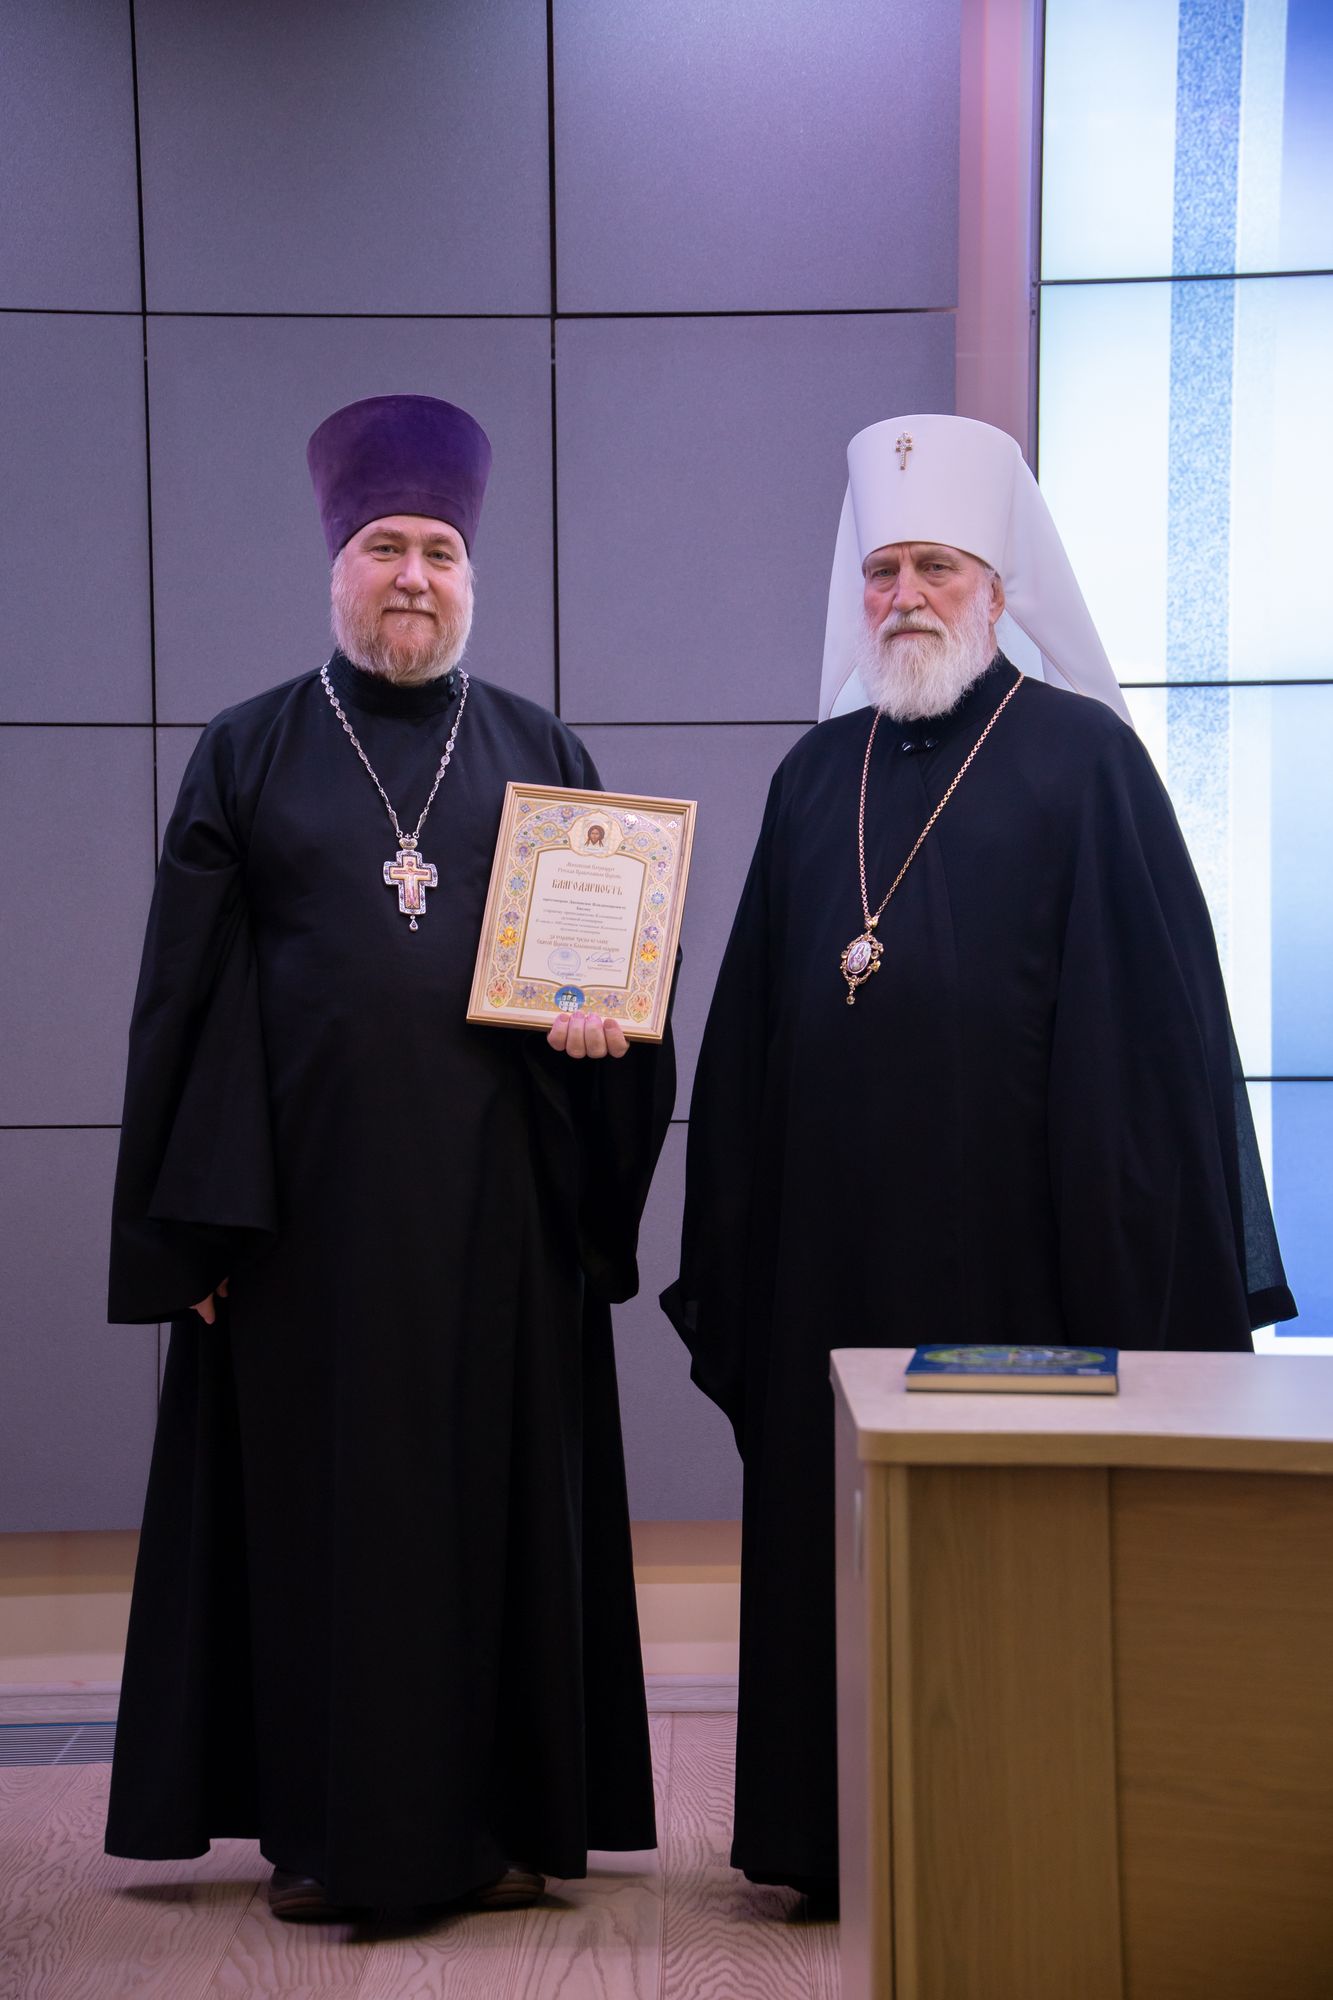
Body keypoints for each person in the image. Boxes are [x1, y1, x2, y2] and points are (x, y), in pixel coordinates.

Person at [661, 412, 1295, 1911]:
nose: (906, 598)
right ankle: (824, 1842)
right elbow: (749, 1037)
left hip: (1022, 1268)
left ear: (998, 588)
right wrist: (739, 1233)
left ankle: (1011, 1842)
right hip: (828, 1258)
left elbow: (1153, 1053)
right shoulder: (814, 775)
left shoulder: (1087, 762)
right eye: (883, 572)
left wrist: (1122, 1256)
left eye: (936, 567)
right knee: (835, 1535)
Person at [106, 394, 675, 1919]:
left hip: (497, 1224)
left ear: (469, 573)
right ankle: (327, 1835)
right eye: (383, 548)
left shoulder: (541, 751)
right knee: (326, 1531)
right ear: (336, 567)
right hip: (305, 1230)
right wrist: (190, 1236)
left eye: (437, 550)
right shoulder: (247, 750)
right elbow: (183, 999)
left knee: (491, 1519)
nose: (412, 575)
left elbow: (621, 976)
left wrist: (605, 1039)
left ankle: (499, 1824)